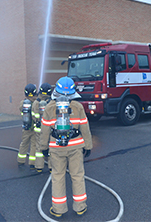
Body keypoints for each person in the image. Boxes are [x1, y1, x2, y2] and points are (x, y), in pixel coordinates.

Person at [40, 76, 92, 218]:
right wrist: (88, 146)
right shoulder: (78, 106)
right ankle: (80, 207)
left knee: (57, 176)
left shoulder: (50, 107)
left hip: (56, 148)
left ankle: (58, 209)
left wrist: (43, 147)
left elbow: (44, 130)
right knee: (77, 175)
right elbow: (85, 128)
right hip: (75, 147)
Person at [32, 83, 53, 173]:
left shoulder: (36, 102)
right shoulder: (51, 102)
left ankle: (39, 167)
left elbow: (33, 115)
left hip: (38, 128)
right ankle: (51, 167)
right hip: (48, 129)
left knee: (39, 147)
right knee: (51, 147)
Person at [17, 83, 38, 169]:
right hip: (34, 128)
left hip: (26, 127)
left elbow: (21, 110)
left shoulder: (23, 103)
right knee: (34, 145)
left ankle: (20, 161)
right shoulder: (36, 103)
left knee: (24, 144)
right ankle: (32, 163)